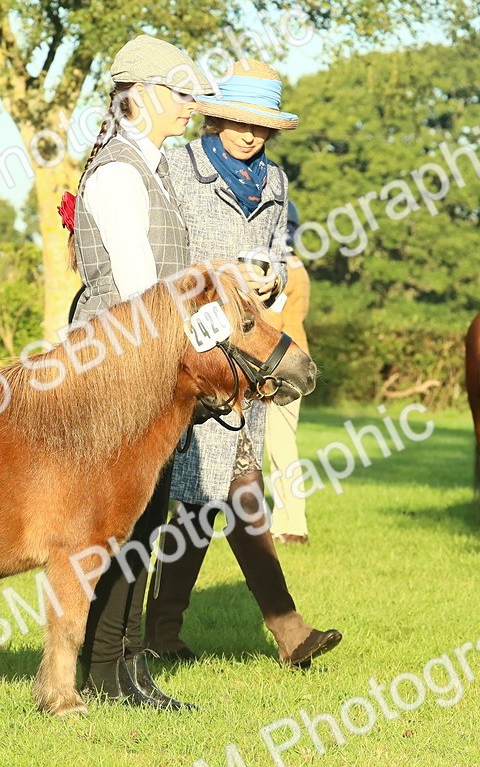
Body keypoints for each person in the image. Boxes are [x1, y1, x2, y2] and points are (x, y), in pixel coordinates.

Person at [144, 60, 341, 668]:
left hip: (245, 360)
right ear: (218, 118)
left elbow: (277, 253)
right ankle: (284, 630)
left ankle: (168, 633)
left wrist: (270, 278)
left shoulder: (275, 180)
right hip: (189, 354)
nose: (250, 135)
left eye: (261, 127)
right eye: (240, 122)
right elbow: (157, 254)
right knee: (222, 496)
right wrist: (217, 282)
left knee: (215, 498)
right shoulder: (177, 167)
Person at [69, 34, 212, 710]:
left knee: (147, 520)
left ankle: (126, 667)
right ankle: (103, 668)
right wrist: (205, 344)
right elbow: (139, 295)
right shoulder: (120, 173)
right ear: (143, 95)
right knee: (118, 523)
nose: (190, 106)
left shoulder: (152, 168)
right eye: (180, 94)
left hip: (153, 365)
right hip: (120, 369)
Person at [266, 201, 313, 545]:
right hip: (297, 357)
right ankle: (283, 519)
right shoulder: (301, 268)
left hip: (282, 363)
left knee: (281, 446)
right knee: (280, 445)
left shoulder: (283, 271)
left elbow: (274, 320)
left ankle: (294, 523)